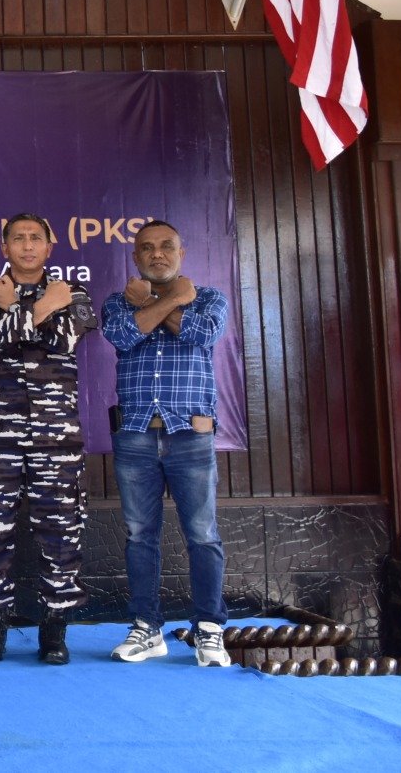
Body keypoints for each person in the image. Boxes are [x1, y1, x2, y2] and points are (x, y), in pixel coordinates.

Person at [0, 213, 95, 665]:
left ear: (49, 245)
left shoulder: (73, 292)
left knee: (60, 532)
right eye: (17, 238)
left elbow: (65, 340)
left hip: (57, 437)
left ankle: (54, 629)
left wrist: (16, 310)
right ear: (4, 248)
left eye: (35, 237)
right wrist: (35, 307)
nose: (27, 245)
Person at [100, 220, 232, 668]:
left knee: (203, 534)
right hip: (135, 434)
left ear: (181, 252)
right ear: (135, 256)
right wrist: (171, 299)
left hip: (190, 436)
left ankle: (209, 629)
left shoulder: (210, 298)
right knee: (141, 535)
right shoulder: (118, 302)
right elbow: (122, 335)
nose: (157, 254)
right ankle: (147, 628)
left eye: (166, 246)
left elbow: (202, 334)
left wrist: (155, 304)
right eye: (147, 248)